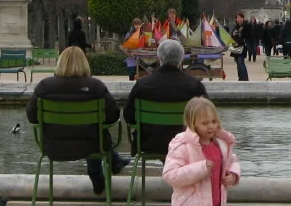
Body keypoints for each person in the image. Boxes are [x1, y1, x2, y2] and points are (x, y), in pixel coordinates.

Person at [26, 46, 126, 197]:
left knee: (90, 131)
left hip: (54, 146)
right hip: (92, 146)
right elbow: (113, 115)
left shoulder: (44, 87)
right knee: (96, 131)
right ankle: (101, 169)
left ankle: (105, 168)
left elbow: (32, 116)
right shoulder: (96, 87)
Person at [124, 39, 208, 154]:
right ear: (181, 58)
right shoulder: (195, 86)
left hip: (149, 143)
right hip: (186, 144)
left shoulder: (142, 85)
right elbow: (207, 116)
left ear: (159, 58)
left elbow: (129, 116)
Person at [230, 13, 250, 81]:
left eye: (240, 17)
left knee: (240, 61)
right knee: (237, 62)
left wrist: (240, 35)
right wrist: (233, 34)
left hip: (242, 46)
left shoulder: (246, 26)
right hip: (236, 46)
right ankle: (240, 77)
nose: (238, 19)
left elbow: (249, 35)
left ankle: (245, 78)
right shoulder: (236, 27)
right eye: (237, 18)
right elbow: (232, 36)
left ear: (243, 18)